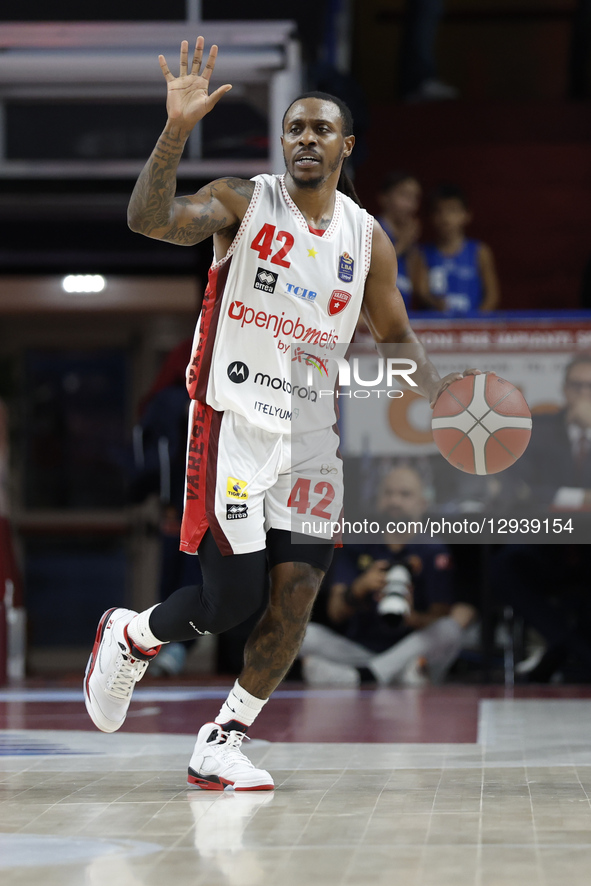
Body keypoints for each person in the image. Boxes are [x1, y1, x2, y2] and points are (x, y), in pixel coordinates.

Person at [83, 36, 475, 792]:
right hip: (230, 421)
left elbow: (394, 334)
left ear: (344, 144)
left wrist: (443, 401)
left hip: (308, 436)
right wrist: (175, 131)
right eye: (294, 127)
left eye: (320, 129)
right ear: (281, 142)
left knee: (295, 595)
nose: (305, 139)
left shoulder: (367, 239)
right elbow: (147, 219)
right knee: (230, 602)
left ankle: (222, 738)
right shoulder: (242, 200)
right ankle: (131, 635)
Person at [300, 464, 476, 687]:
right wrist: (358, 589)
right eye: (388, 493)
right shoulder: (357, 543)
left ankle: (362, 676)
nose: (395, 501)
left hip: (409, 648)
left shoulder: (434, 551)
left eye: (405, 494)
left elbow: (439, 619)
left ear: (423, 503)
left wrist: (411, 616)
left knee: (450, 630)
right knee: (302, 634)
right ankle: (392, 674)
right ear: (377, 500)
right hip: (358, 649)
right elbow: (335, 613)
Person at [416, 183, 500, 314]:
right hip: (438, 329)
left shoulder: (480, 251)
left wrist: (477, 321)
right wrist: (435, 303)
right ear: (431, 217)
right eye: (439, 211)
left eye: (452, 210)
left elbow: (492, 295)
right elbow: (422, 291)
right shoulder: (422, 253)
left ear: (466, 215)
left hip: (472, 329)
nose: (445, 218)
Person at [376, 172, 423, 309]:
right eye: (404, 196)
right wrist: (402, 245)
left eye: (414, 198)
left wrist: (412, 248)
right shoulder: (372, 229)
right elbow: (369, 272)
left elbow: (419, 289)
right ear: (384, 197)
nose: (411, 205)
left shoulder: (411, 238)